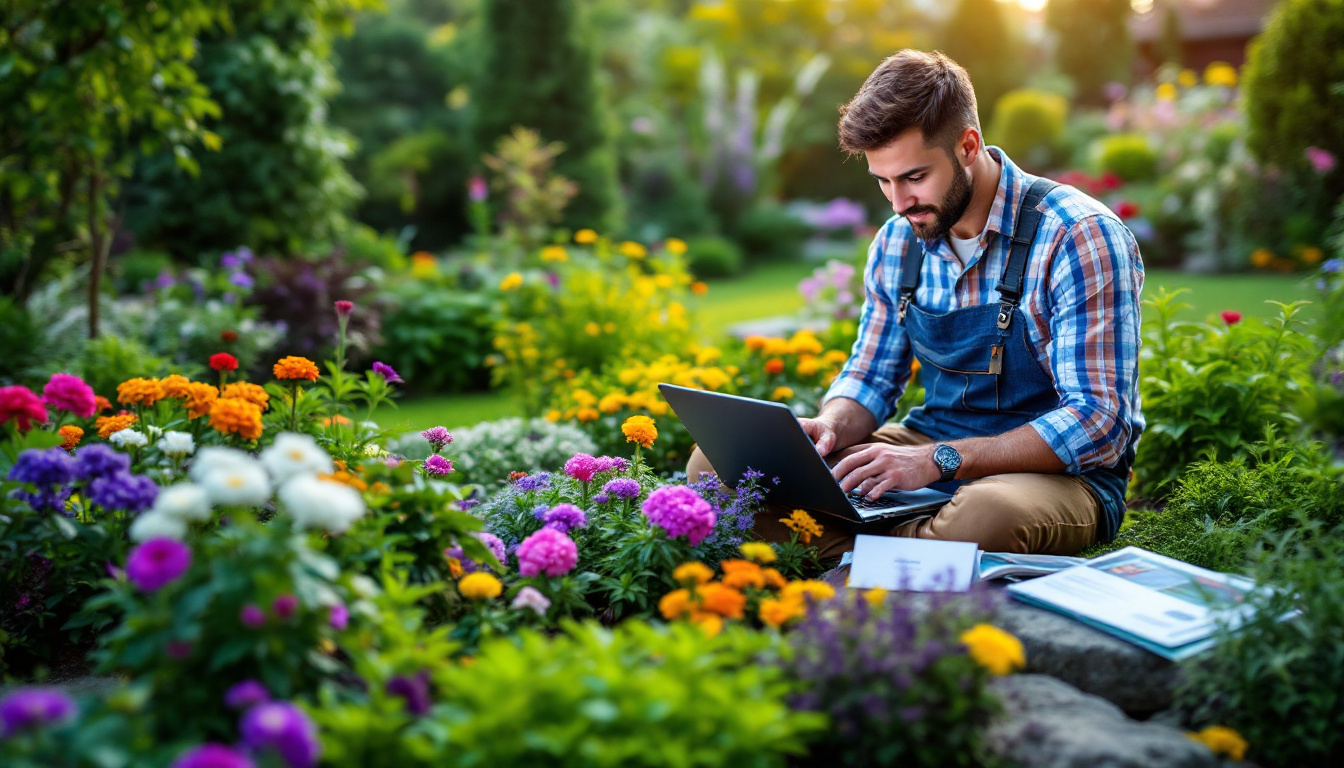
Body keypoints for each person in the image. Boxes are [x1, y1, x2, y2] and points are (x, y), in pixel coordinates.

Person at [686, 50, 1144, 558]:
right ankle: (917, 558)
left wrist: (939, 460)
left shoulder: (1078, 235)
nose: (898, 202)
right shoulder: (896, 242)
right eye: (882, 181)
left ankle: (849, 553)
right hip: (930, 450)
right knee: (715, 465)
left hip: (1052, 478)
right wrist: (830, 428)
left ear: (967, 145)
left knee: (987, 515)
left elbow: (1099, 421)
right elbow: (871, 375)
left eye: (913, 177)